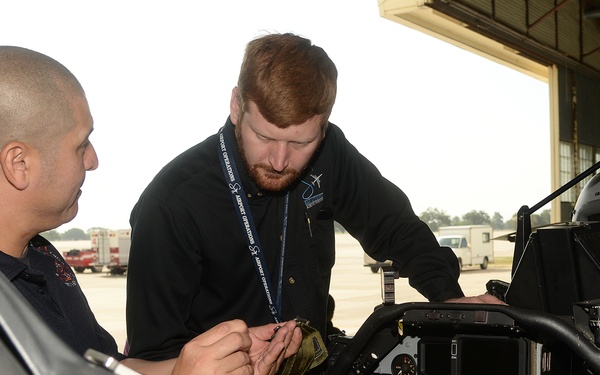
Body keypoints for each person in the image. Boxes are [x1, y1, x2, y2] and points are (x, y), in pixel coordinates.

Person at [126, 32, 502, 365]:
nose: (279, 160)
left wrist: (448, 299)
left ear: (324, 127)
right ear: (236, 106)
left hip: (315, 358)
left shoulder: (330, 152)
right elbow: (154, 356)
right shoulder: (172, 206)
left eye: (301, 143)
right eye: (264, 136)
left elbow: (395, 227)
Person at [0, 45, 301, 375]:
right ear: (19, 164)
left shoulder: (42, 257)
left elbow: (109, 368)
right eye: (81, 144)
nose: (93, 160)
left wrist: (208, 366)